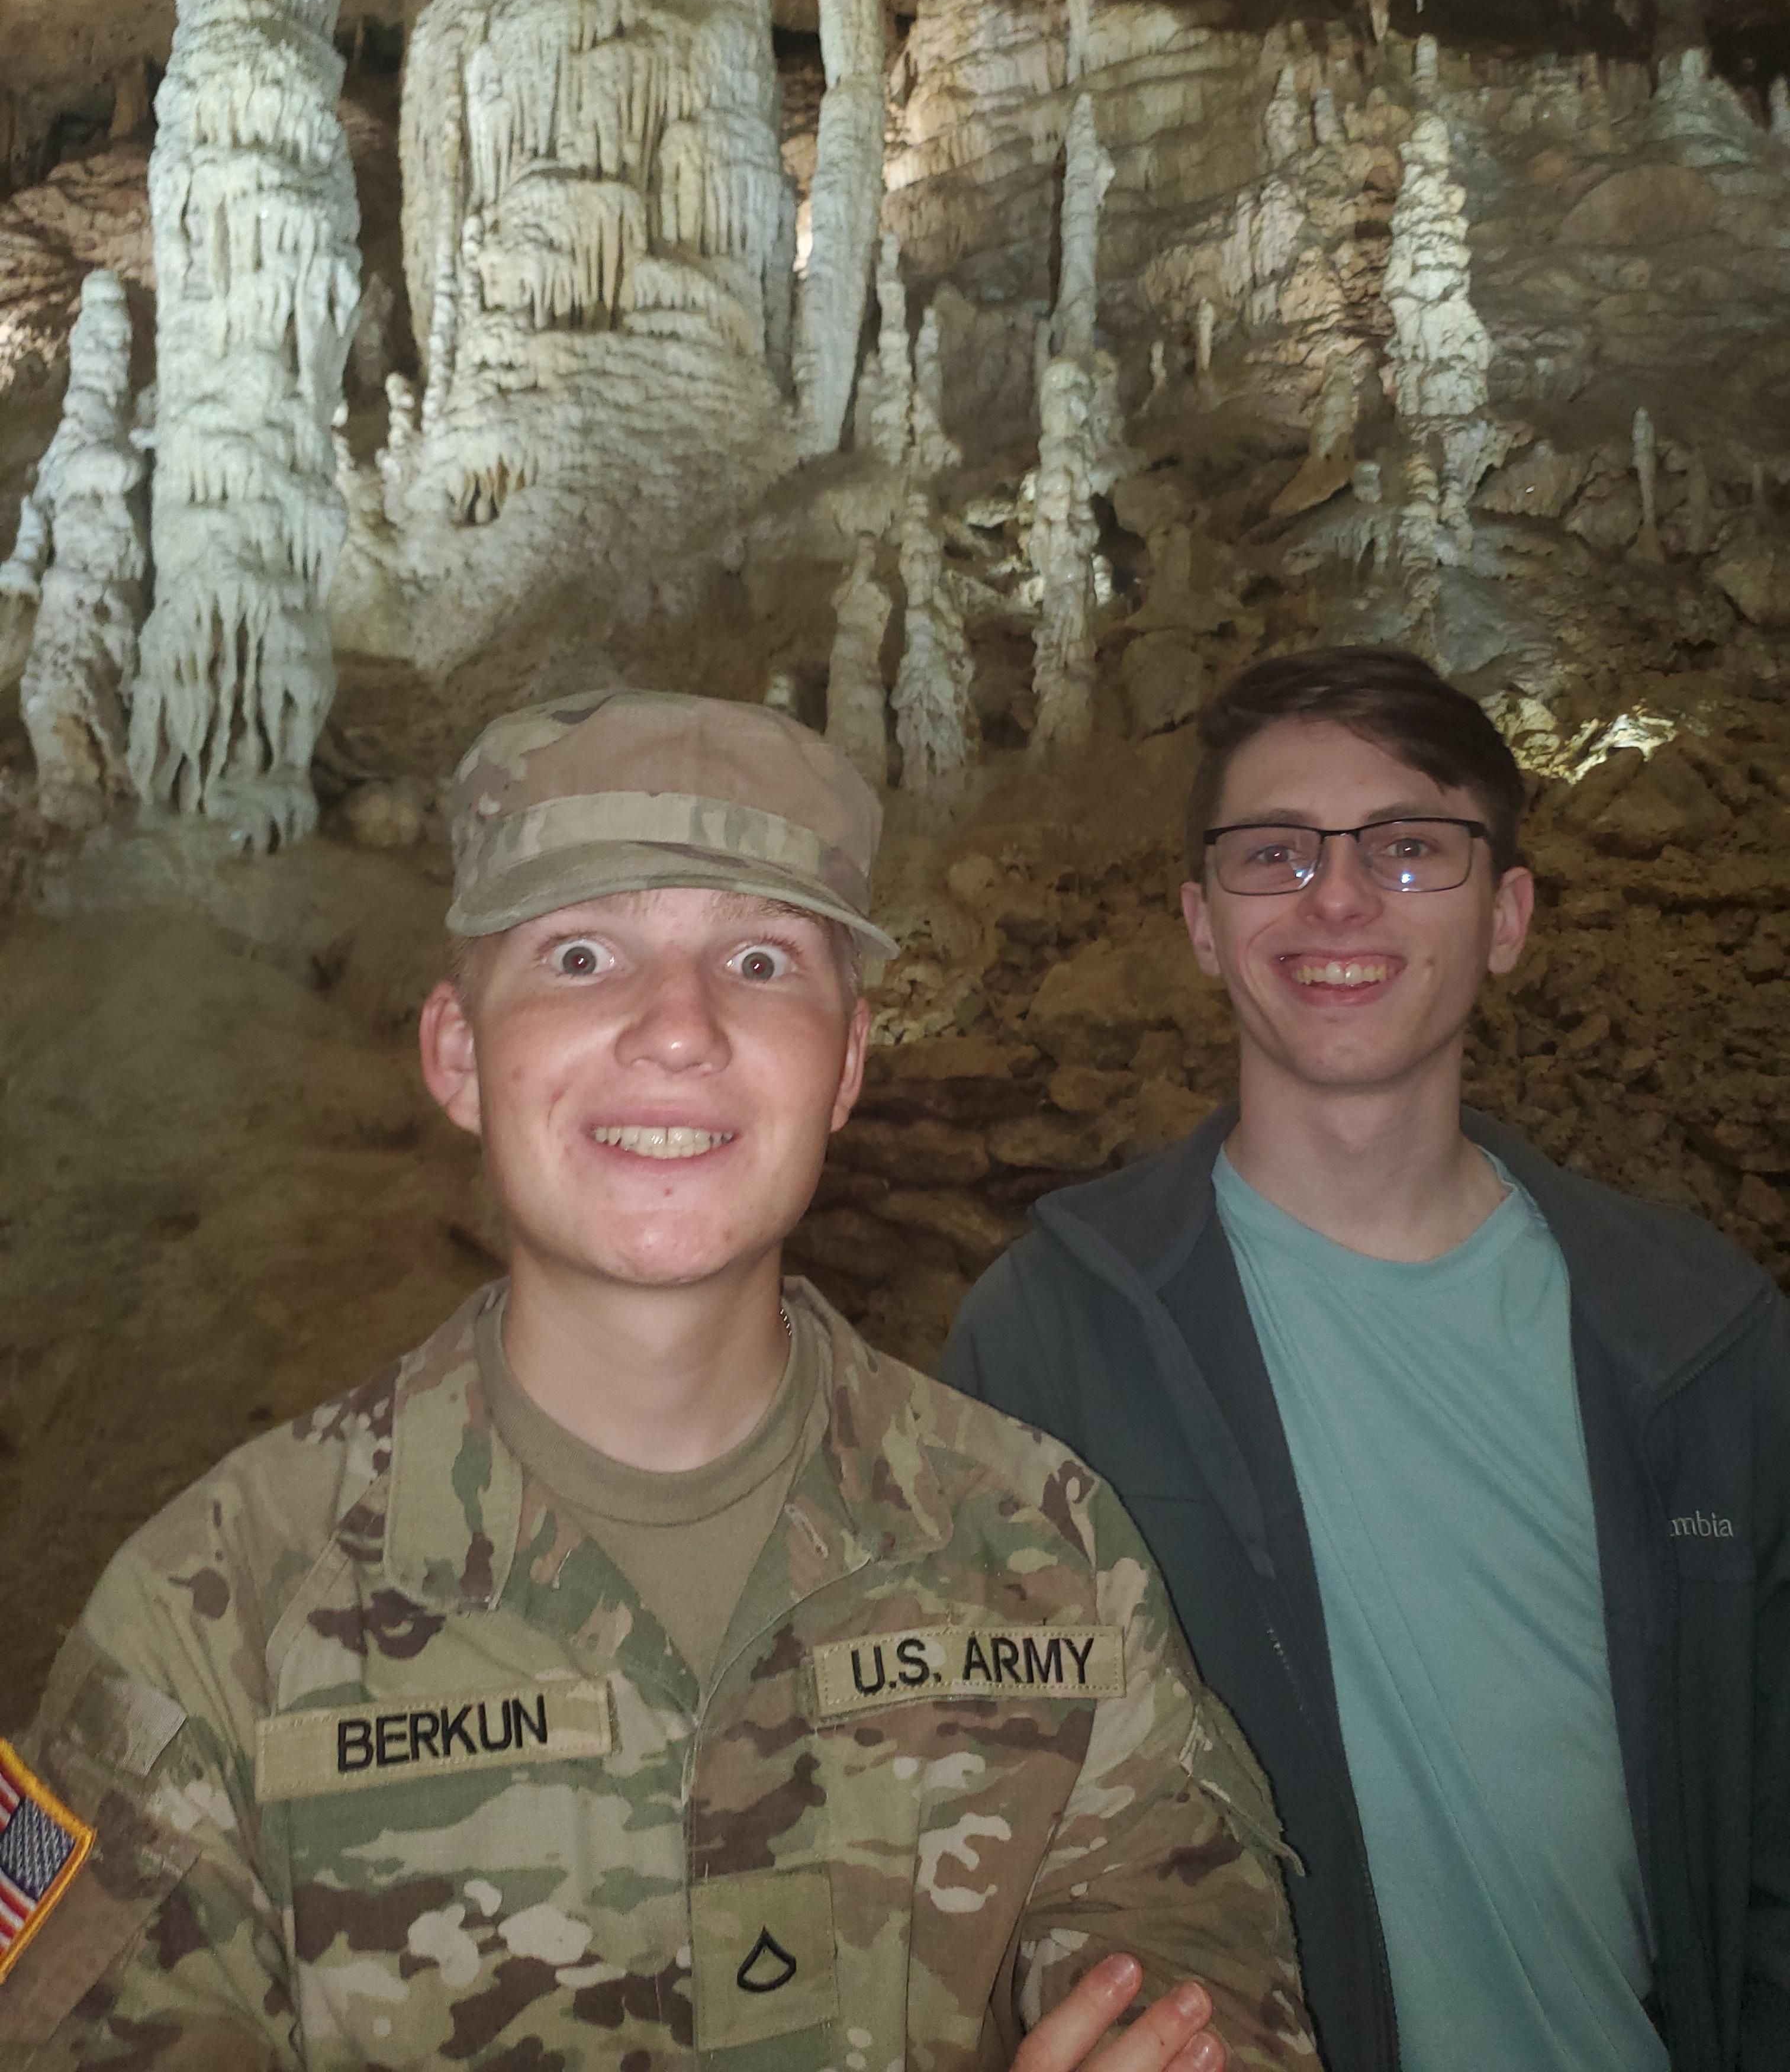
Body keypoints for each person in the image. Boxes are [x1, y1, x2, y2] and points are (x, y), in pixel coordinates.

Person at [0, 688, 1314, 2072]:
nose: (677, 1029)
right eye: (581, 955)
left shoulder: (1045, 1544)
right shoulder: (209, 1620)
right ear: (458, 1052)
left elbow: (1192, 1960)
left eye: (759, 963)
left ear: (849, 1061)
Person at [941, 646, 1790, 2072]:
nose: (1337, 895)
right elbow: (968, 1816)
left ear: (1508, 916)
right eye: (1275, 853)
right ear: (1203, 924)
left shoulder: (1700, 1342)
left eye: (1409, 849)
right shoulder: (1047, 1337)